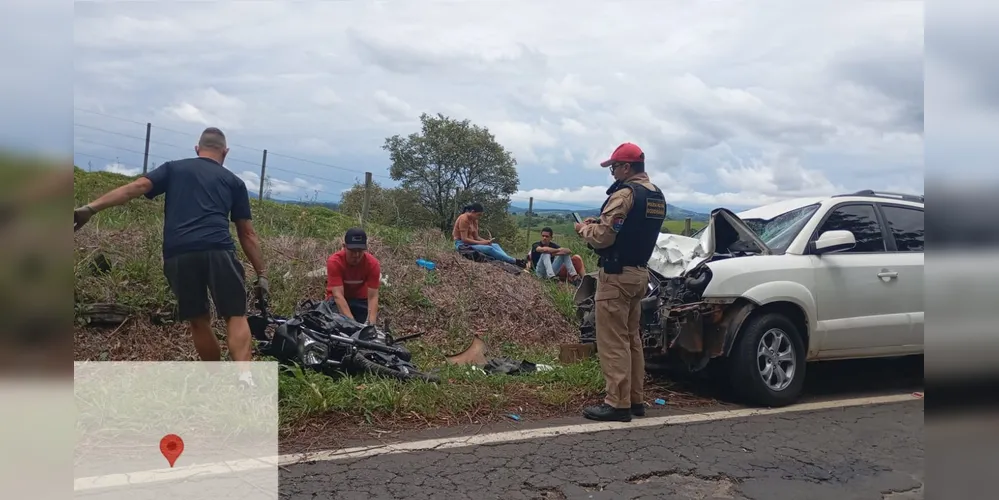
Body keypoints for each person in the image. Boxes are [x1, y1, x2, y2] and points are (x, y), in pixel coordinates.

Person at [73, 127, 269, 385]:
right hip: (218, 249)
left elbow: (137, 187)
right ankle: (244, 378)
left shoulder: (174, 168)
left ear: (197, 149)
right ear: (225, 152)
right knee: (235, 314)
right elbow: (247, 234)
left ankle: (215, 380)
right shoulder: (234, 182)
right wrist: (262, 274)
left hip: (178, 254)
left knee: (199, 321)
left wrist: (91, 208)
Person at [575, 142, 666, 422]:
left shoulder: (625, 194)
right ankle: (635, 399)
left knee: (612, 341)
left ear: (627, 167)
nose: (612, 172)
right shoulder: (656, 195)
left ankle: (617, 403)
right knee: (631, 339)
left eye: (614, 167)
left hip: (616, 276)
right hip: (640, 274)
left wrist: (584, 229)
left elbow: (604, 236)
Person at [325, 227, 381, 325]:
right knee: (336, 324)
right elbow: (338, 295)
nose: (356, 255)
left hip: (360, 301)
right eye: (352, 250)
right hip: (336, 301)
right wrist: (352, 324)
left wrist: (371, 325)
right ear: (344, 247)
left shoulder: (373, 264)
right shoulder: (334, 262)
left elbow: (373, 297)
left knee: (364, 326)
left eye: (360, 250)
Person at [452, 202, 527, 268]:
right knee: (489, 249)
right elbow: (464, 239)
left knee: (495, 245)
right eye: (478, 215)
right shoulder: (464, 219)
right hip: (462, 245)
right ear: (472, 212)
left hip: (471, 243)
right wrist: (483, 243)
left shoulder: (475, 220)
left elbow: (476, 237)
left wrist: (487, 241)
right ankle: (515, 261)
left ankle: (509, 260)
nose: (479, 217)